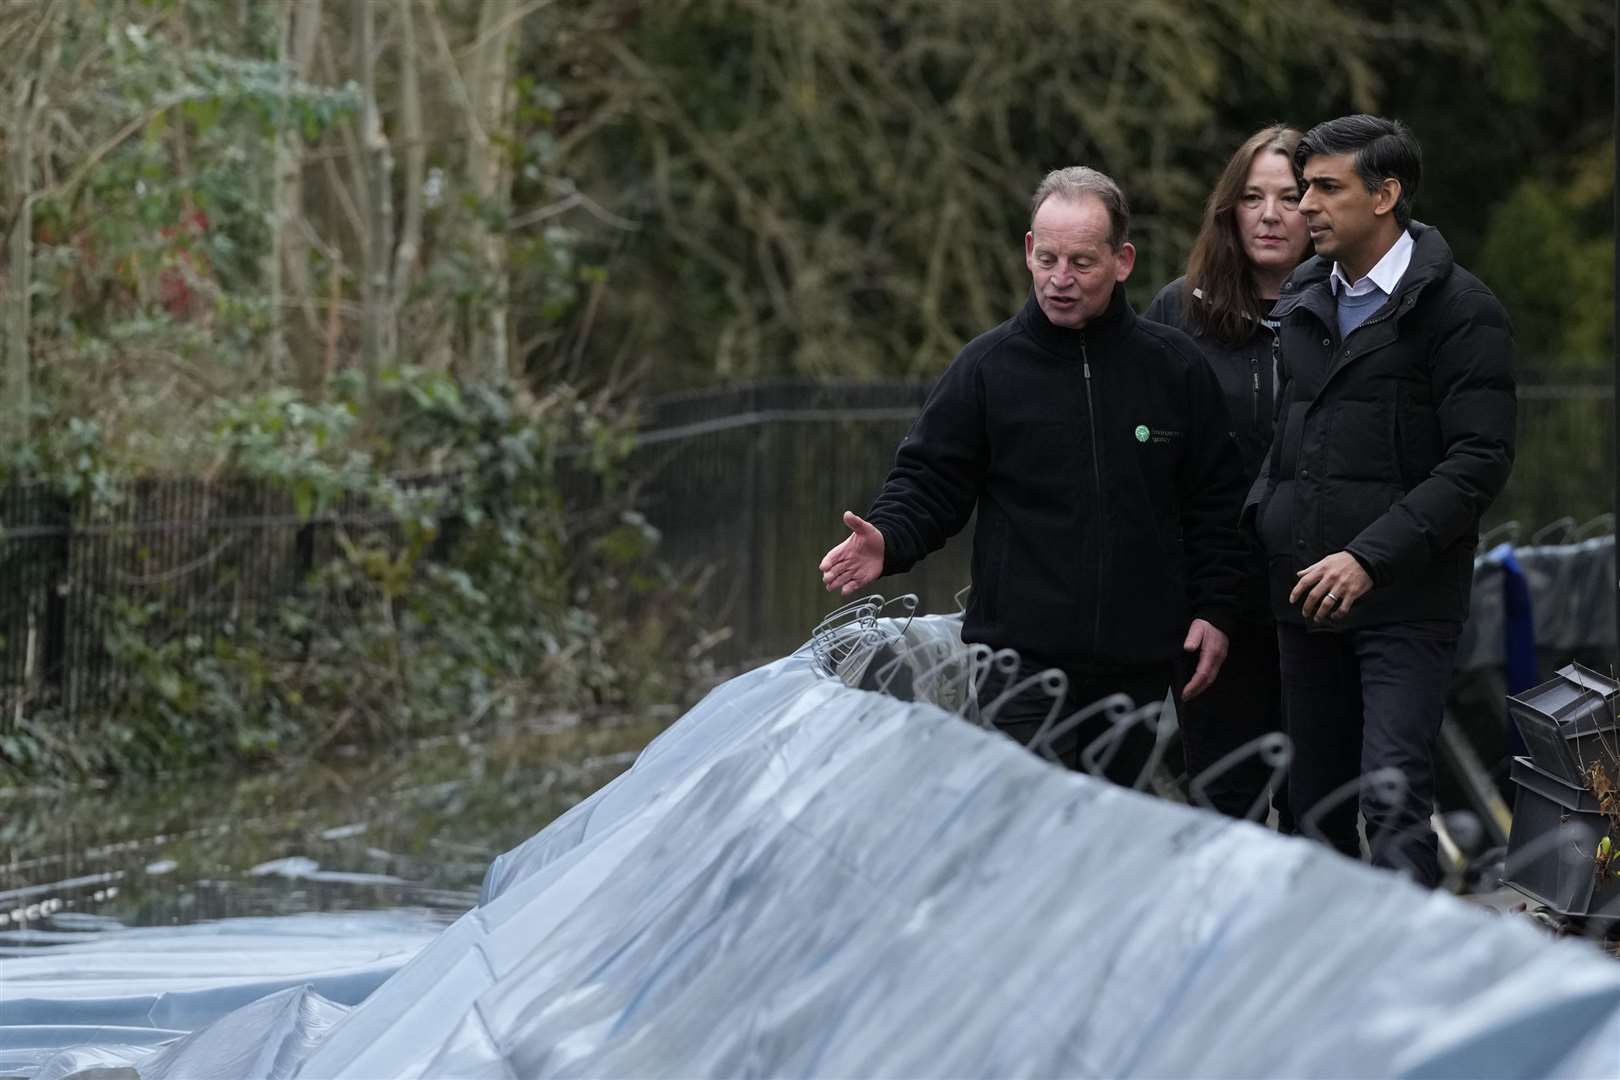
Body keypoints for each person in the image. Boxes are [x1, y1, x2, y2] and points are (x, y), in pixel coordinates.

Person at [818, 166, 1249, 785]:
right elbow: (930, 480)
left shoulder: (1173, 369)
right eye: (1047, 258)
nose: (1060, 280)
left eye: (1081, 261)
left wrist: (1215, 608)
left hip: (1136, 664)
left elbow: (1214, 502)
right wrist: (887, 539)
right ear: (1028, 251)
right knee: (1026, 829)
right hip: (1016, 659)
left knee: (1099, 839)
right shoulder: (987, 369)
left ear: (1122, 261)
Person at [1245, 115, 1516, 886]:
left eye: (1327, 189)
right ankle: (1324, 987)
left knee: (1393, 799)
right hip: (1303, 599)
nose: (1304, 209)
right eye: (1304, 190)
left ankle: (1419, 989)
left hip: (1405, 601)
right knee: (1312, 806)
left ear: (1386, 195)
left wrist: (1369, 557)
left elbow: (1479, 461)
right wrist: (1269, 523)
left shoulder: (1462, 310)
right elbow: (1291, 442)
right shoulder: (1301, 300)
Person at [1145, 125, 1310, 824]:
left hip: (1320, 600)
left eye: (1290, 196)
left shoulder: (1360, 314)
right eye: (1252, 196)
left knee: (1321, 807)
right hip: (1214, 606)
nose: (1270, 214)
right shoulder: (1179, 315)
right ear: (1229, 209)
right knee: (1224, 806)